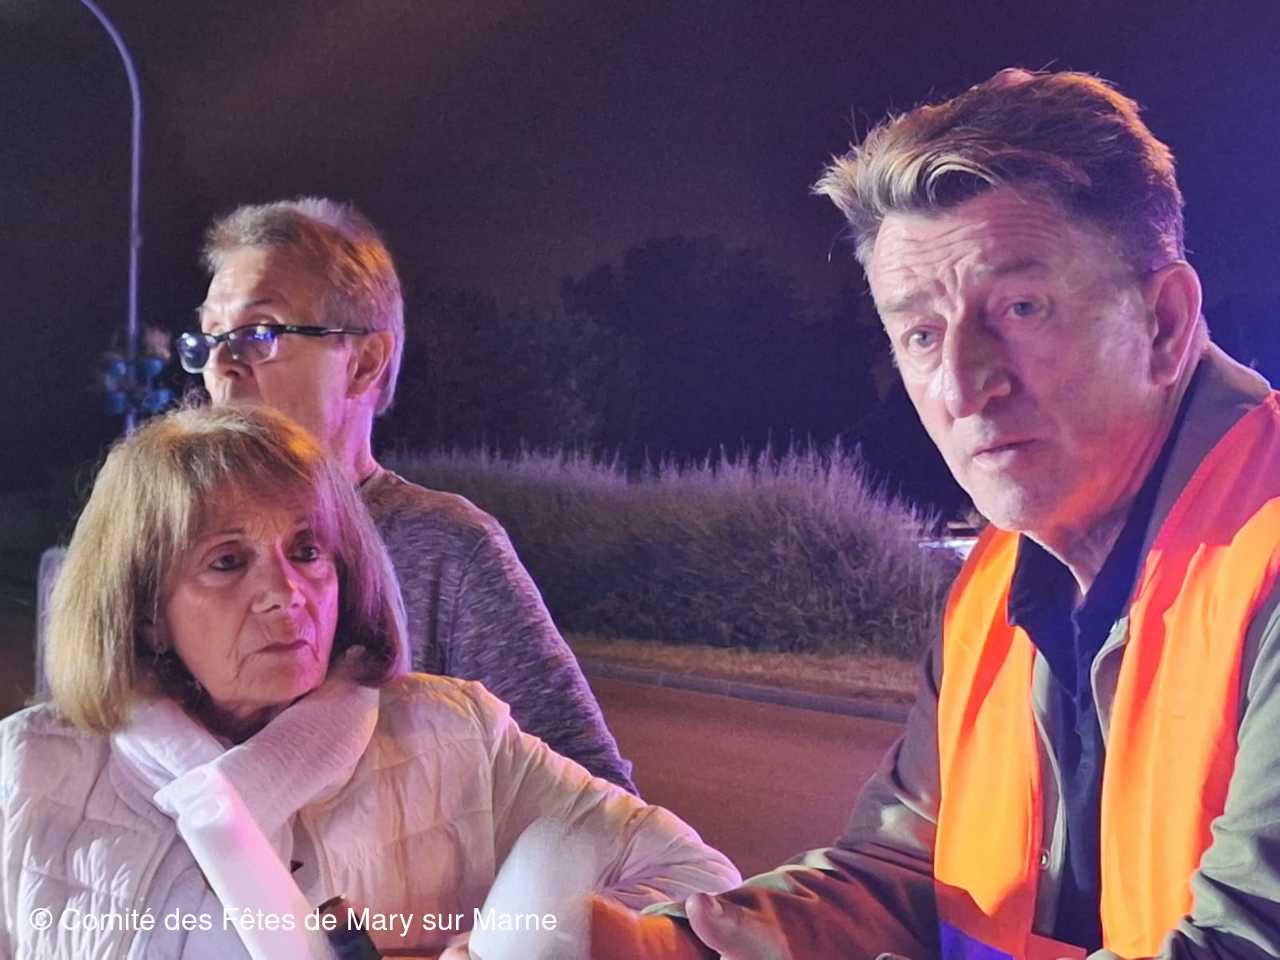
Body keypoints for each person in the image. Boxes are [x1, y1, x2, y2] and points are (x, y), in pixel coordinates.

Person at [594, 69, 1280, 959]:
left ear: (1165, 323)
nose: (961, 384)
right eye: (920, 334)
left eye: (1021, 309)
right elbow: (901, 868)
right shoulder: (994, 586)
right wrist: (659, 947)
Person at [0, 403, 739, 958]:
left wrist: (522, 943)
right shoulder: (28, 771)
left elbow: (698, 879)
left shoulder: (455, 736)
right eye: (228, 561)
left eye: (307, 551)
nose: (285, 592)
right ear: (146, 612)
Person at [177, 198, 637, 793]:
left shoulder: (448, 551)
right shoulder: (171, 542)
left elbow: (595, 798)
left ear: (365, 363)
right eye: (210, 338)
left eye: (259, 333)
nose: (221, 365)